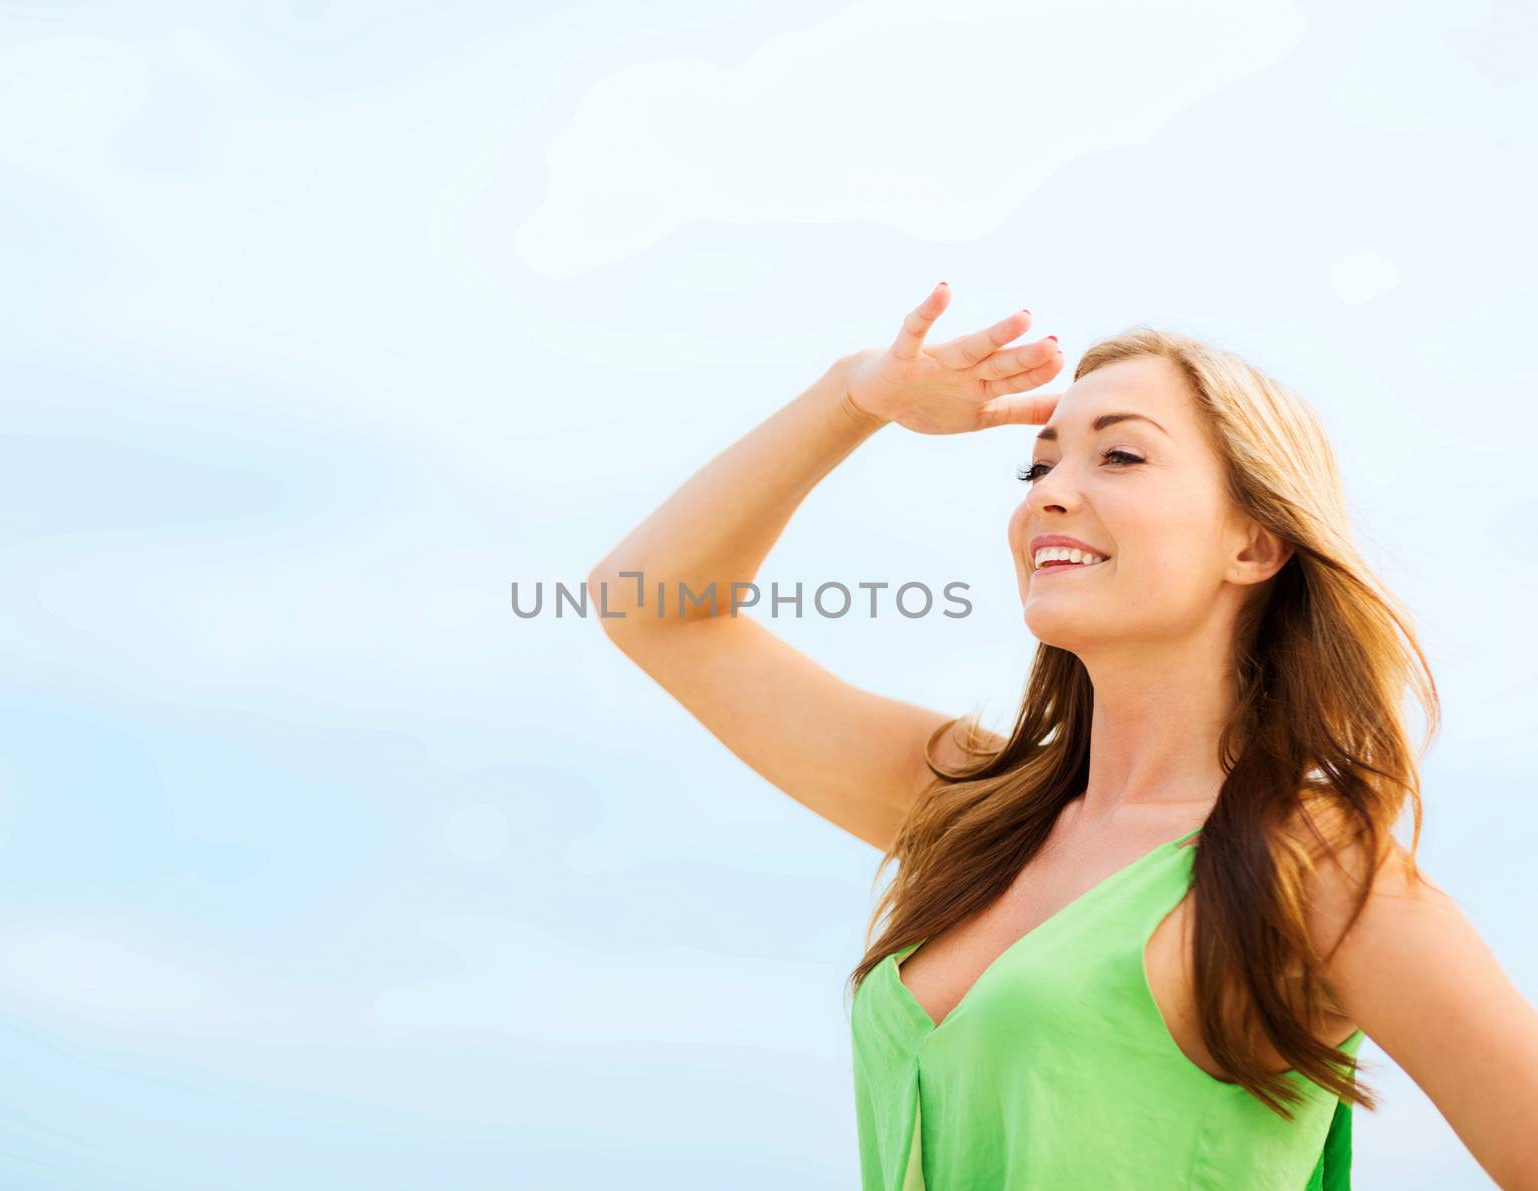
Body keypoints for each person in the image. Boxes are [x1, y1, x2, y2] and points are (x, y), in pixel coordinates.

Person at [585, 282, 1538, 1189]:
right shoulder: (971, 806)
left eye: (1118, 456)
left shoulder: (1309, 862)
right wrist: (853, 394)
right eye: (1037, 465)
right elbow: (649, 606)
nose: (1048, 492)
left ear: (1253, 542)